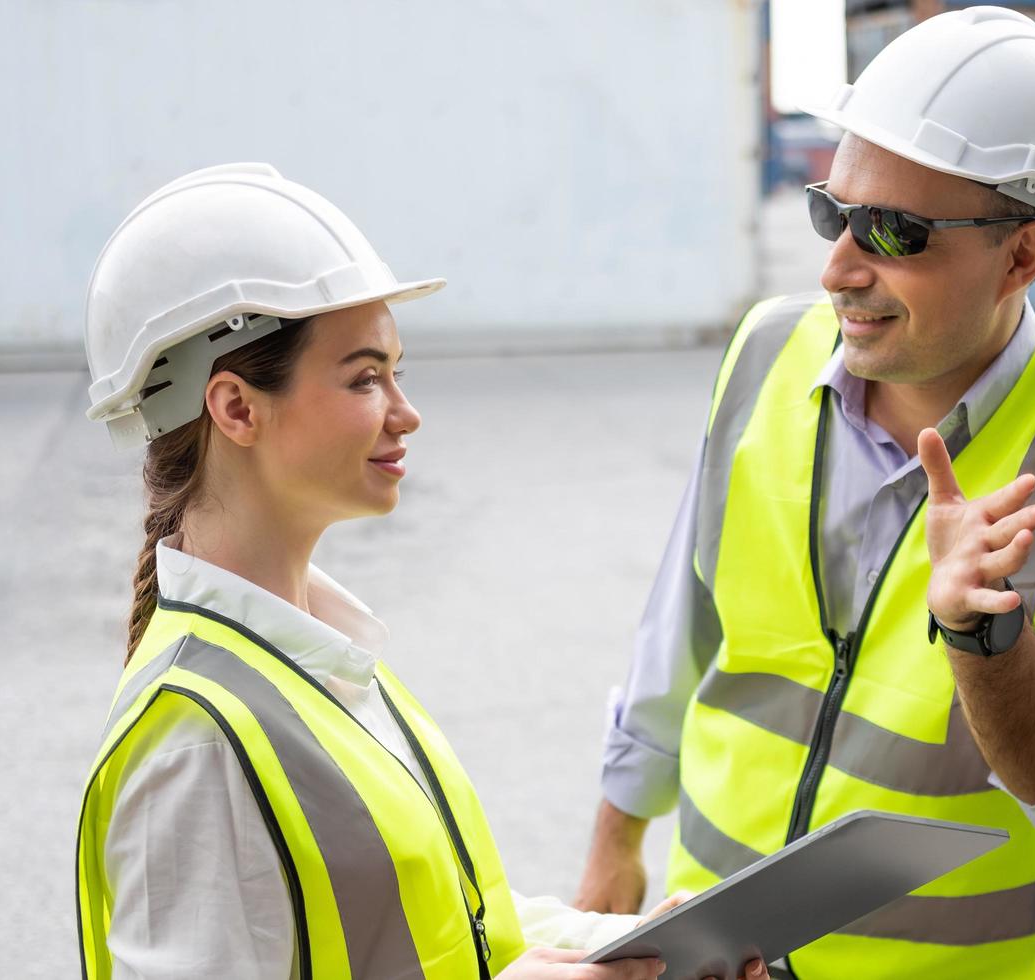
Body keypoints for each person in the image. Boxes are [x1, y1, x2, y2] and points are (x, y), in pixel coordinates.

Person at [576, 8, 1035, 979]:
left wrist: (988, 637)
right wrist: (614, 843)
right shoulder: (769, 345)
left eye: (894, 231)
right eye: (831, 211)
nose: (838, 268)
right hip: (707, 953)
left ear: (1023, 255)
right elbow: (678, 627)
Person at [74, 164, 766, 980]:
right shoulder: (195, 744)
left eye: (398, 372)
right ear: (235, 408)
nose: (405, 411)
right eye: (366, 376)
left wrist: (623, 948)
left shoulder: (319, 656)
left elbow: (455, 932)